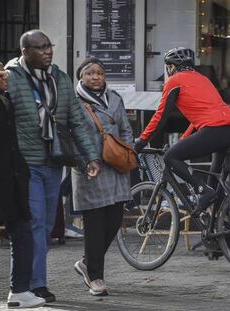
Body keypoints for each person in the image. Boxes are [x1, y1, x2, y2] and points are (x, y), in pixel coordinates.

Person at [5, 30, 101, 303]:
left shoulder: (59, 78)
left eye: (49, 46)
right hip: (26, 164)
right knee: (34, 223)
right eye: (40, 47)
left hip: (54, 162)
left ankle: (37, 283)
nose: (48, 51)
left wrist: (90, 157)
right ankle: (30, 285)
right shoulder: (12, 78)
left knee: (46, 226)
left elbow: (76, 122)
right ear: (25, 52)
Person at [134, 47, 230, 215]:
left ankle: (202, 190)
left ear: (171, 67)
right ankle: (220, 231)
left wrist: (141, 141)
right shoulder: (203, 79)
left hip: (215, 130)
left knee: (171, 156)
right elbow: (199, 118)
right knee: (214, 181)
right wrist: (183, 140)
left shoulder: (175, 80)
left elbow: (160, 116)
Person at [72, 57, 134, 296]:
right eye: (90, 73)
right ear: (81, 76)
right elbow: (71, 134)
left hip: (117, 166)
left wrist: (127, 152)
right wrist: (85, 160)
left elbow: (126, 129)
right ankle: (96, 277)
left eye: (100, 73)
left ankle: (87, 262)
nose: (96, 77)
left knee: (115, 220)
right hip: (92, 168)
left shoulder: (115, 98)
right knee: (95, 225)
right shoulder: (74, 102)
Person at [0, 60, 45, 309]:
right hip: (2, 178)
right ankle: (19, 291)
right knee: (21, 231)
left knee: (22, 231)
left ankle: (20, 291)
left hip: (12, 178)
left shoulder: (5, 101)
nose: (4, 76)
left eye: (5, 72)